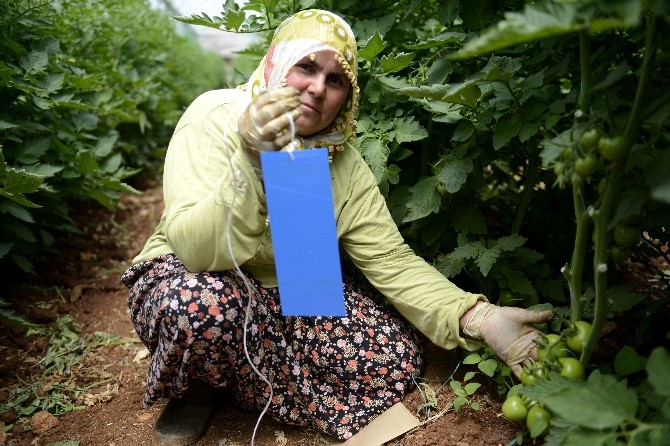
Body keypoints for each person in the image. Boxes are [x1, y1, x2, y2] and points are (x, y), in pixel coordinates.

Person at [121, 9, 553, 446]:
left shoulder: (337, 158)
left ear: (346, 97)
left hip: (284, 286)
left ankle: (241, 372)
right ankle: (199, 386)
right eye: (306, 67)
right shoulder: (213, 117)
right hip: (196, 275)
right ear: (275, 62)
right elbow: (199, 252)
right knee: (201, 307)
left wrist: (478, 317)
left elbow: (390, 260)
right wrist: (253, 161)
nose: (316, 88)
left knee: (392, 359)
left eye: (335, 80)